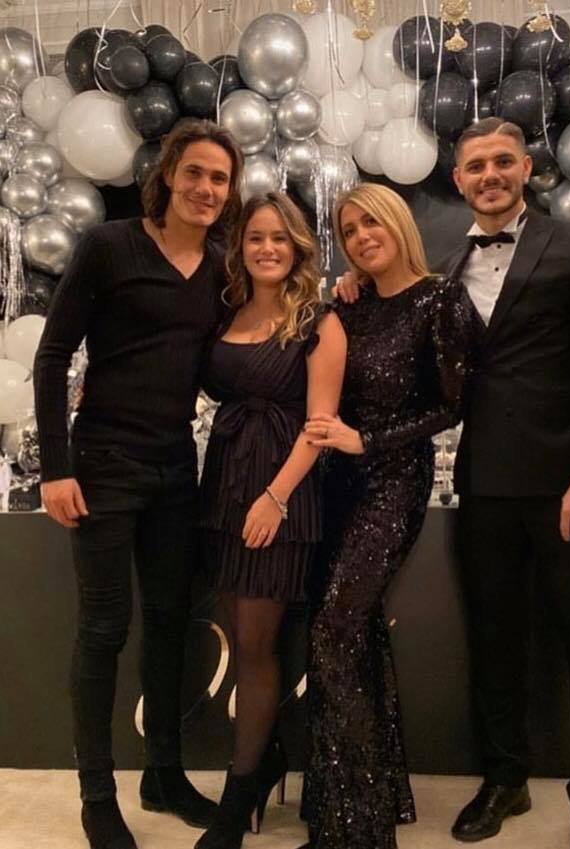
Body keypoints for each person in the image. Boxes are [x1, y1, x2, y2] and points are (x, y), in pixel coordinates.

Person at [33, 118, 244, 849]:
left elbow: (250, 338)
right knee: (103, 628)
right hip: (103, 465)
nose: (206, 188)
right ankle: (97, 796)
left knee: (170, 622)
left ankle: (163, 774)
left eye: (220, 178)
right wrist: (55, 467)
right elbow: (52, 356)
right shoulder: (108, 245)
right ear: (167, 175)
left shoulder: (219, 268)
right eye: (195, 172)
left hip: (175, 468)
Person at [300, 182, 478, 849]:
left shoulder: (441, 299)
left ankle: (358, 830)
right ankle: (357, 806)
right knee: (357, 635)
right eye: (348, 230)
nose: (361, 236)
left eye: (370, 222)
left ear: (398, 222)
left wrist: (368, 440)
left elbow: (453, 404)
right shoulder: (350, 303)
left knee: (334, 630)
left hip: (393, 484)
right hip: (336, 485)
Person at [444, 118, 570, 849]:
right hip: (482, 485)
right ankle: (504, 777)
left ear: (526, 168)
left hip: (566, 486)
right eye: (476, 166)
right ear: (458, 180)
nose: (490, 175)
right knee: (495, 640)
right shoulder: (447, 265)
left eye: (502, 161)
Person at [195, 192, 346, 849]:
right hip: (225, 484)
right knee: (241, 636)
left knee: (256, 648)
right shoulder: (226, 311)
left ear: (297, 247)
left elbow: (319, 426)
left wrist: (275, 498)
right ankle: (267, 761)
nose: (266, 248)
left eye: (279, 238)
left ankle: (235, 803)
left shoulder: (319, 320)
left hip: (280, 494)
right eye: (255, 237)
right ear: (241, 246)